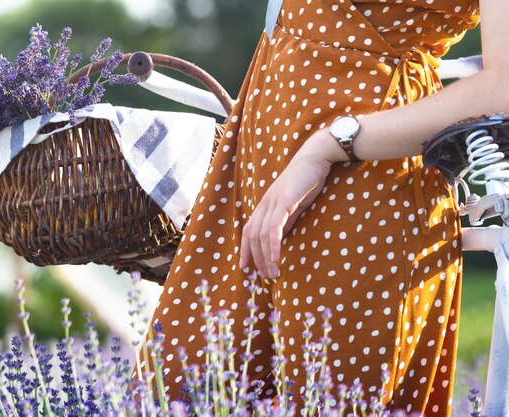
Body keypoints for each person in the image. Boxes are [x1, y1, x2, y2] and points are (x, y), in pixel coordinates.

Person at [142, 0, 508, 414]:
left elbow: (504, 88)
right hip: (255, 171)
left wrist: (329, 146)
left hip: (364, 185)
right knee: (167, 392)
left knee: (327, 403)